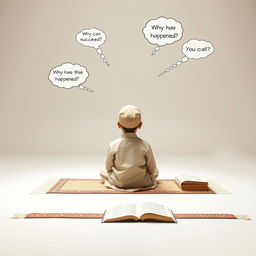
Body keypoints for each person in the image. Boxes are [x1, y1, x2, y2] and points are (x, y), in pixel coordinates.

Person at [100, 105, 159, 191]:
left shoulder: (113, 145)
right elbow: (153, 170)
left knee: (103, 171)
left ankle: (121, 181)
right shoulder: (145, 145)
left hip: (119, 182)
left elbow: (108, 167)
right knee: (155, 173)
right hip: (142, 182)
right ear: (140, 125)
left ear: (118, 125)